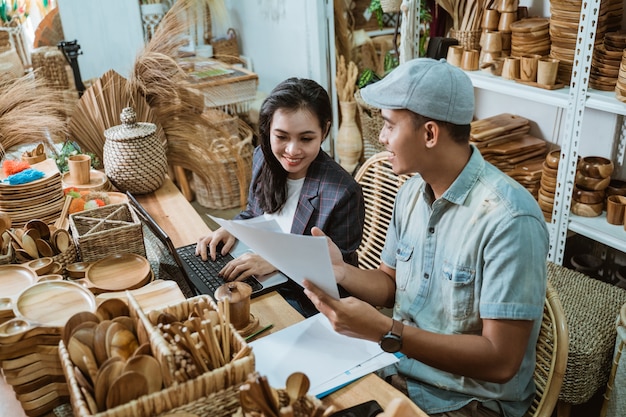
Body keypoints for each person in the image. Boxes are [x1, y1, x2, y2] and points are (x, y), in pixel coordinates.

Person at [302, 58, 549, 417]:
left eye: (388, 125)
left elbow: (501, 361)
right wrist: (341, 272)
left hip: (468, 402)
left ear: (430, 134)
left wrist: (389, 331)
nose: (382, 137)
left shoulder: (509, 220)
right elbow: (391, 284)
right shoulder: (411, 193)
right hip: (396, 369)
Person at [196, 77, 365, 282]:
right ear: (268, 130)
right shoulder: (262, 158)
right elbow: (255, 213)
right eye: (282, 137)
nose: (292, 151)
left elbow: (341, 271)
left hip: (307, 295)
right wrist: (232, 229)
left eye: (306, 138)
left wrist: (279, 262)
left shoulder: (343, 192)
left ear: (325, 131)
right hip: (259, 271)